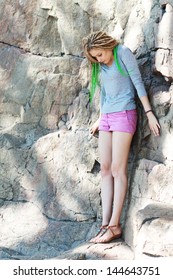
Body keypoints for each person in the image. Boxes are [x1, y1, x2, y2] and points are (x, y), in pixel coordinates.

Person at [82, 31, 160, 243]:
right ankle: (105, 223)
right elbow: (104, 93)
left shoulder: (122, 53)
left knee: (118, 169)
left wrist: (149, 113)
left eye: (99, 55)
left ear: (107, 46)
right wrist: (100, 117)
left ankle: (115, 225)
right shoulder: (100, 64)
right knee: (105, 169)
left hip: (125, 115)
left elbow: (137, 82)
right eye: (95, 57)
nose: (99, 60)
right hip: (107, 117)